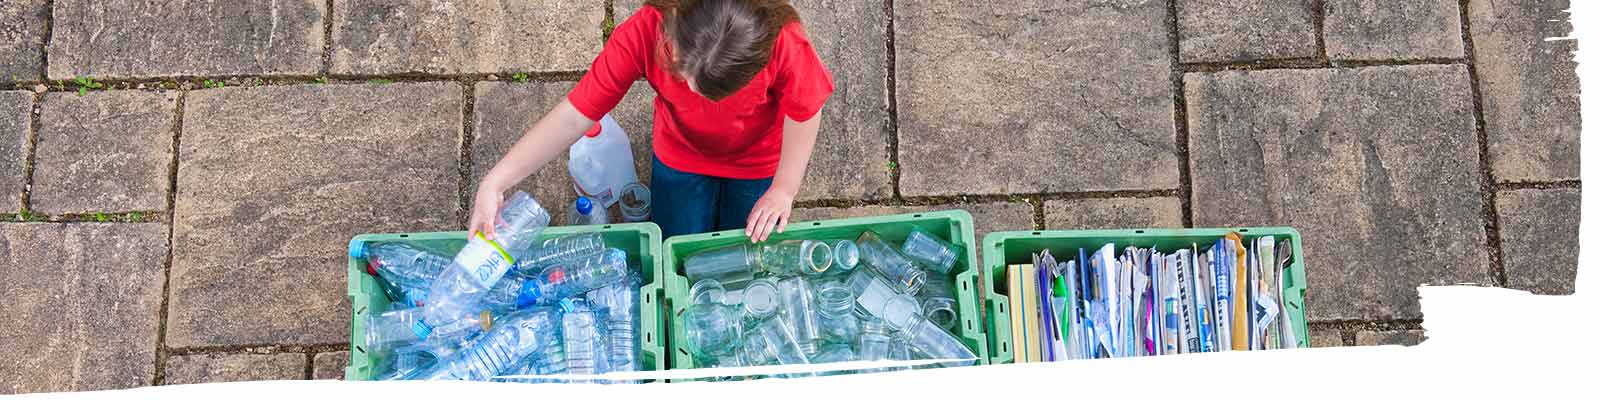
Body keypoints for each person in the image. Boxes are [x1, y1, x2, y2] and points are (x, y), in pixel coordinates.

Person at [469, 0, 834, 243]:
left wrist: (783, 190)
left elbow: (805, 111)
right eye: (685, 76)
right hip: (681, 153)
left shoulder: (783, 43)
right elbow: (574, 114)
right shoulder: (643, 32)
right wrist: (496, 180)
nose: (695, 95)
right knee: (677, 238)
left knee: (739, 242)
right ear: (671, 21)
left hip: (757, 161)